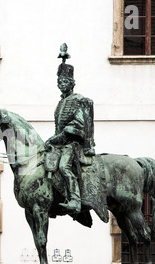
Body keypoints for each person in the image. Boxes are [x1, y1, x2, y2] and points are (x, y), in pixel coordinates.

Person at [44, 44, 95, 213]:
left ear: (72, 83)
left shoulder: (77, 100)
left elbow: (79, 124)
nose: (61, 84)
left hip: (73, 144)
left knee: (63, 167)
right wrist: (53, 140)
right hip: (61, 144)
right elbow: (58, 129)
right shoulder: (60, 103)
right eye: (59, 81)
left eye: (64, 81)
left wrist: (63, 134)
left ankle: (75, 199)